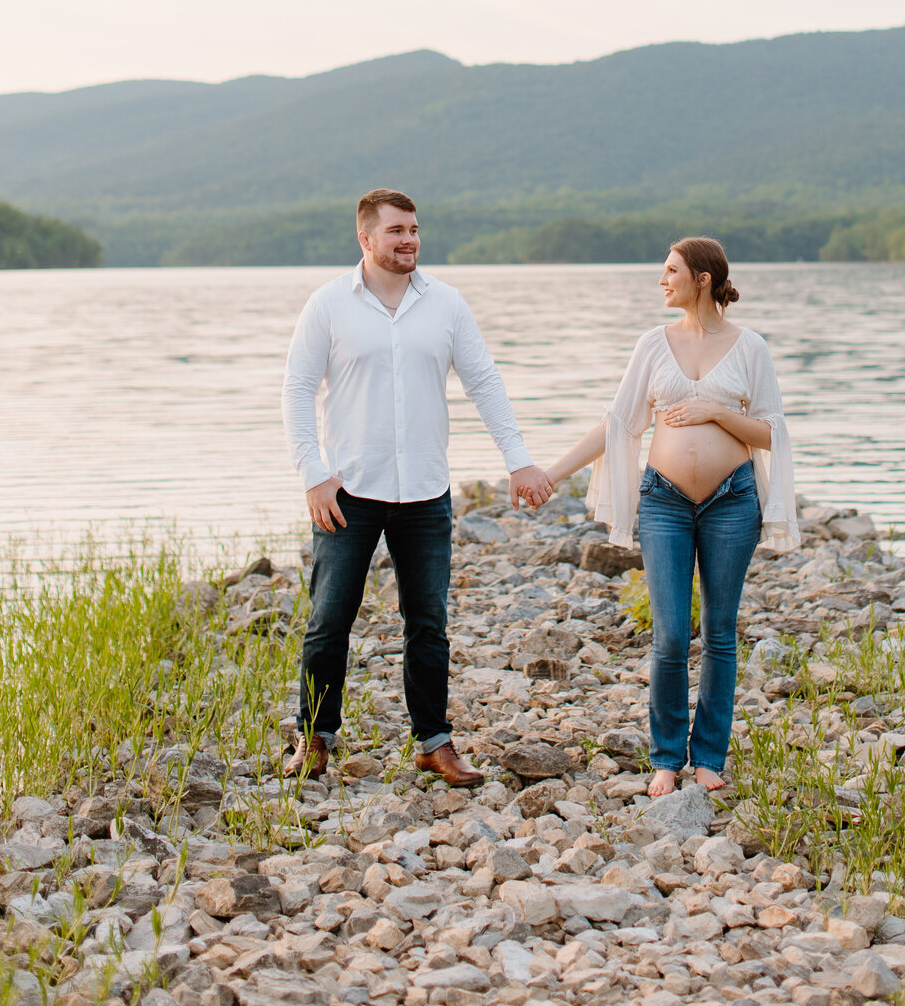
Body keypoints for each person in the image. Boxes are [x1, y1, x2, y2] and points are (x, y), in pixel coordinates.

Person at [281, 187, 553, 785]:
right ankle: (316, 739)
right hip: (347, 491)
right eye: (396, 230)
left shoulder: (447, 304)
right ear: (366, 238)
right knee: (330, 620)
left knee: (427, 622)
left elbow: (484, 382)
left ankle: (434, 742)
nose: (409, 240)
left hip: (426, 493)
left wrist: (519, 460)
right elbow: (297, 391)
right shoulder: (327, 304)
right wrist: (313, 477)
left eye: (414, 229)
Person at [540, 238, 798, 794]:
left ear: (702, 278)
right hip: (664, 501)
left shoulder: (750, 347)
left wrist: (717, 412)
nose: (662, 280)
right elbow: (617, 424)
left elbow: (772, 434)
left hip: (733, 500)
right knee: (671, 635)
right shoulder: (652, 345)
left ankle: (708, 758)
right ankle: (665, 757)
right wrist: (551, 474)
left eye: (671, 271)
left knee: (721, 633)